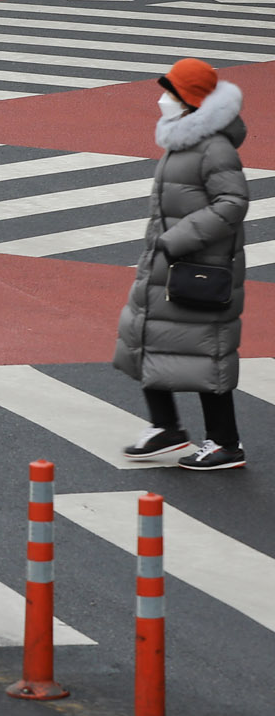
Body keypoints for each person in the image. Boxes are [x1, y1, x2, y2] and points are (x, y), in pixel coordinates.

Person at [117, 58, 249, 470]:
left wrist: (175, 241)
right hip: (169, 262)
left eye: (170, 92)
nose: (163, 99)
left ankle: (226, 443)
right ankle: (168, 429)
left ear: (189, 101)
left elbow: (233, 203)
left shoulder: (213, 147)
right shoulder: (185, 139)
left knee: (205, 353)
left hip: (198, 266)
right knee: (146, 336)